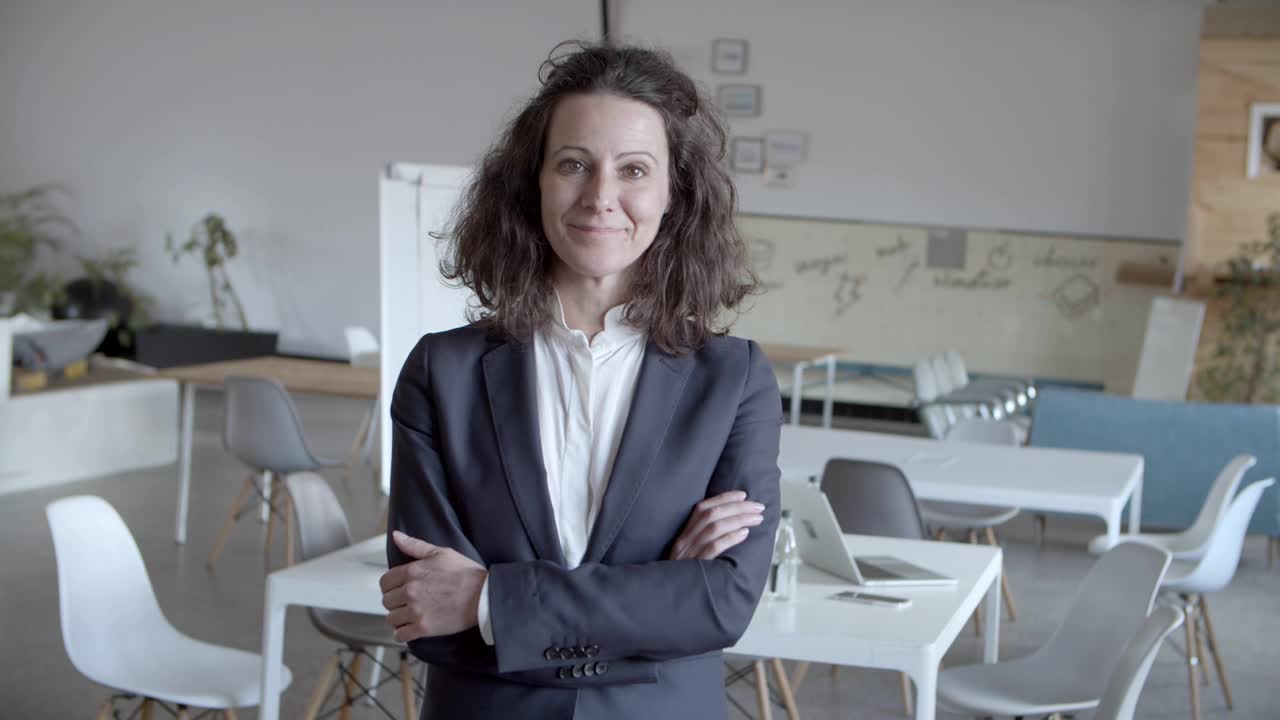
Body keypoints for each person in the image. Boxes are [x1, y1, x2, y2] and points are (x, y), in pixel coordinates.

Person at [379, 42, 782, 719]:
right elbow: (424, 612)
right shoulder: (439, 372)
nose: (601, 197)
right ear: (531, 182)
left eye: (634, 170)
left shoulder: (734, 380)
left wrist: (486, 600)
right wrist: (654, 599)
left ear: (673, 194)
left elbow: (722, 604)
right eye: (573, 164)